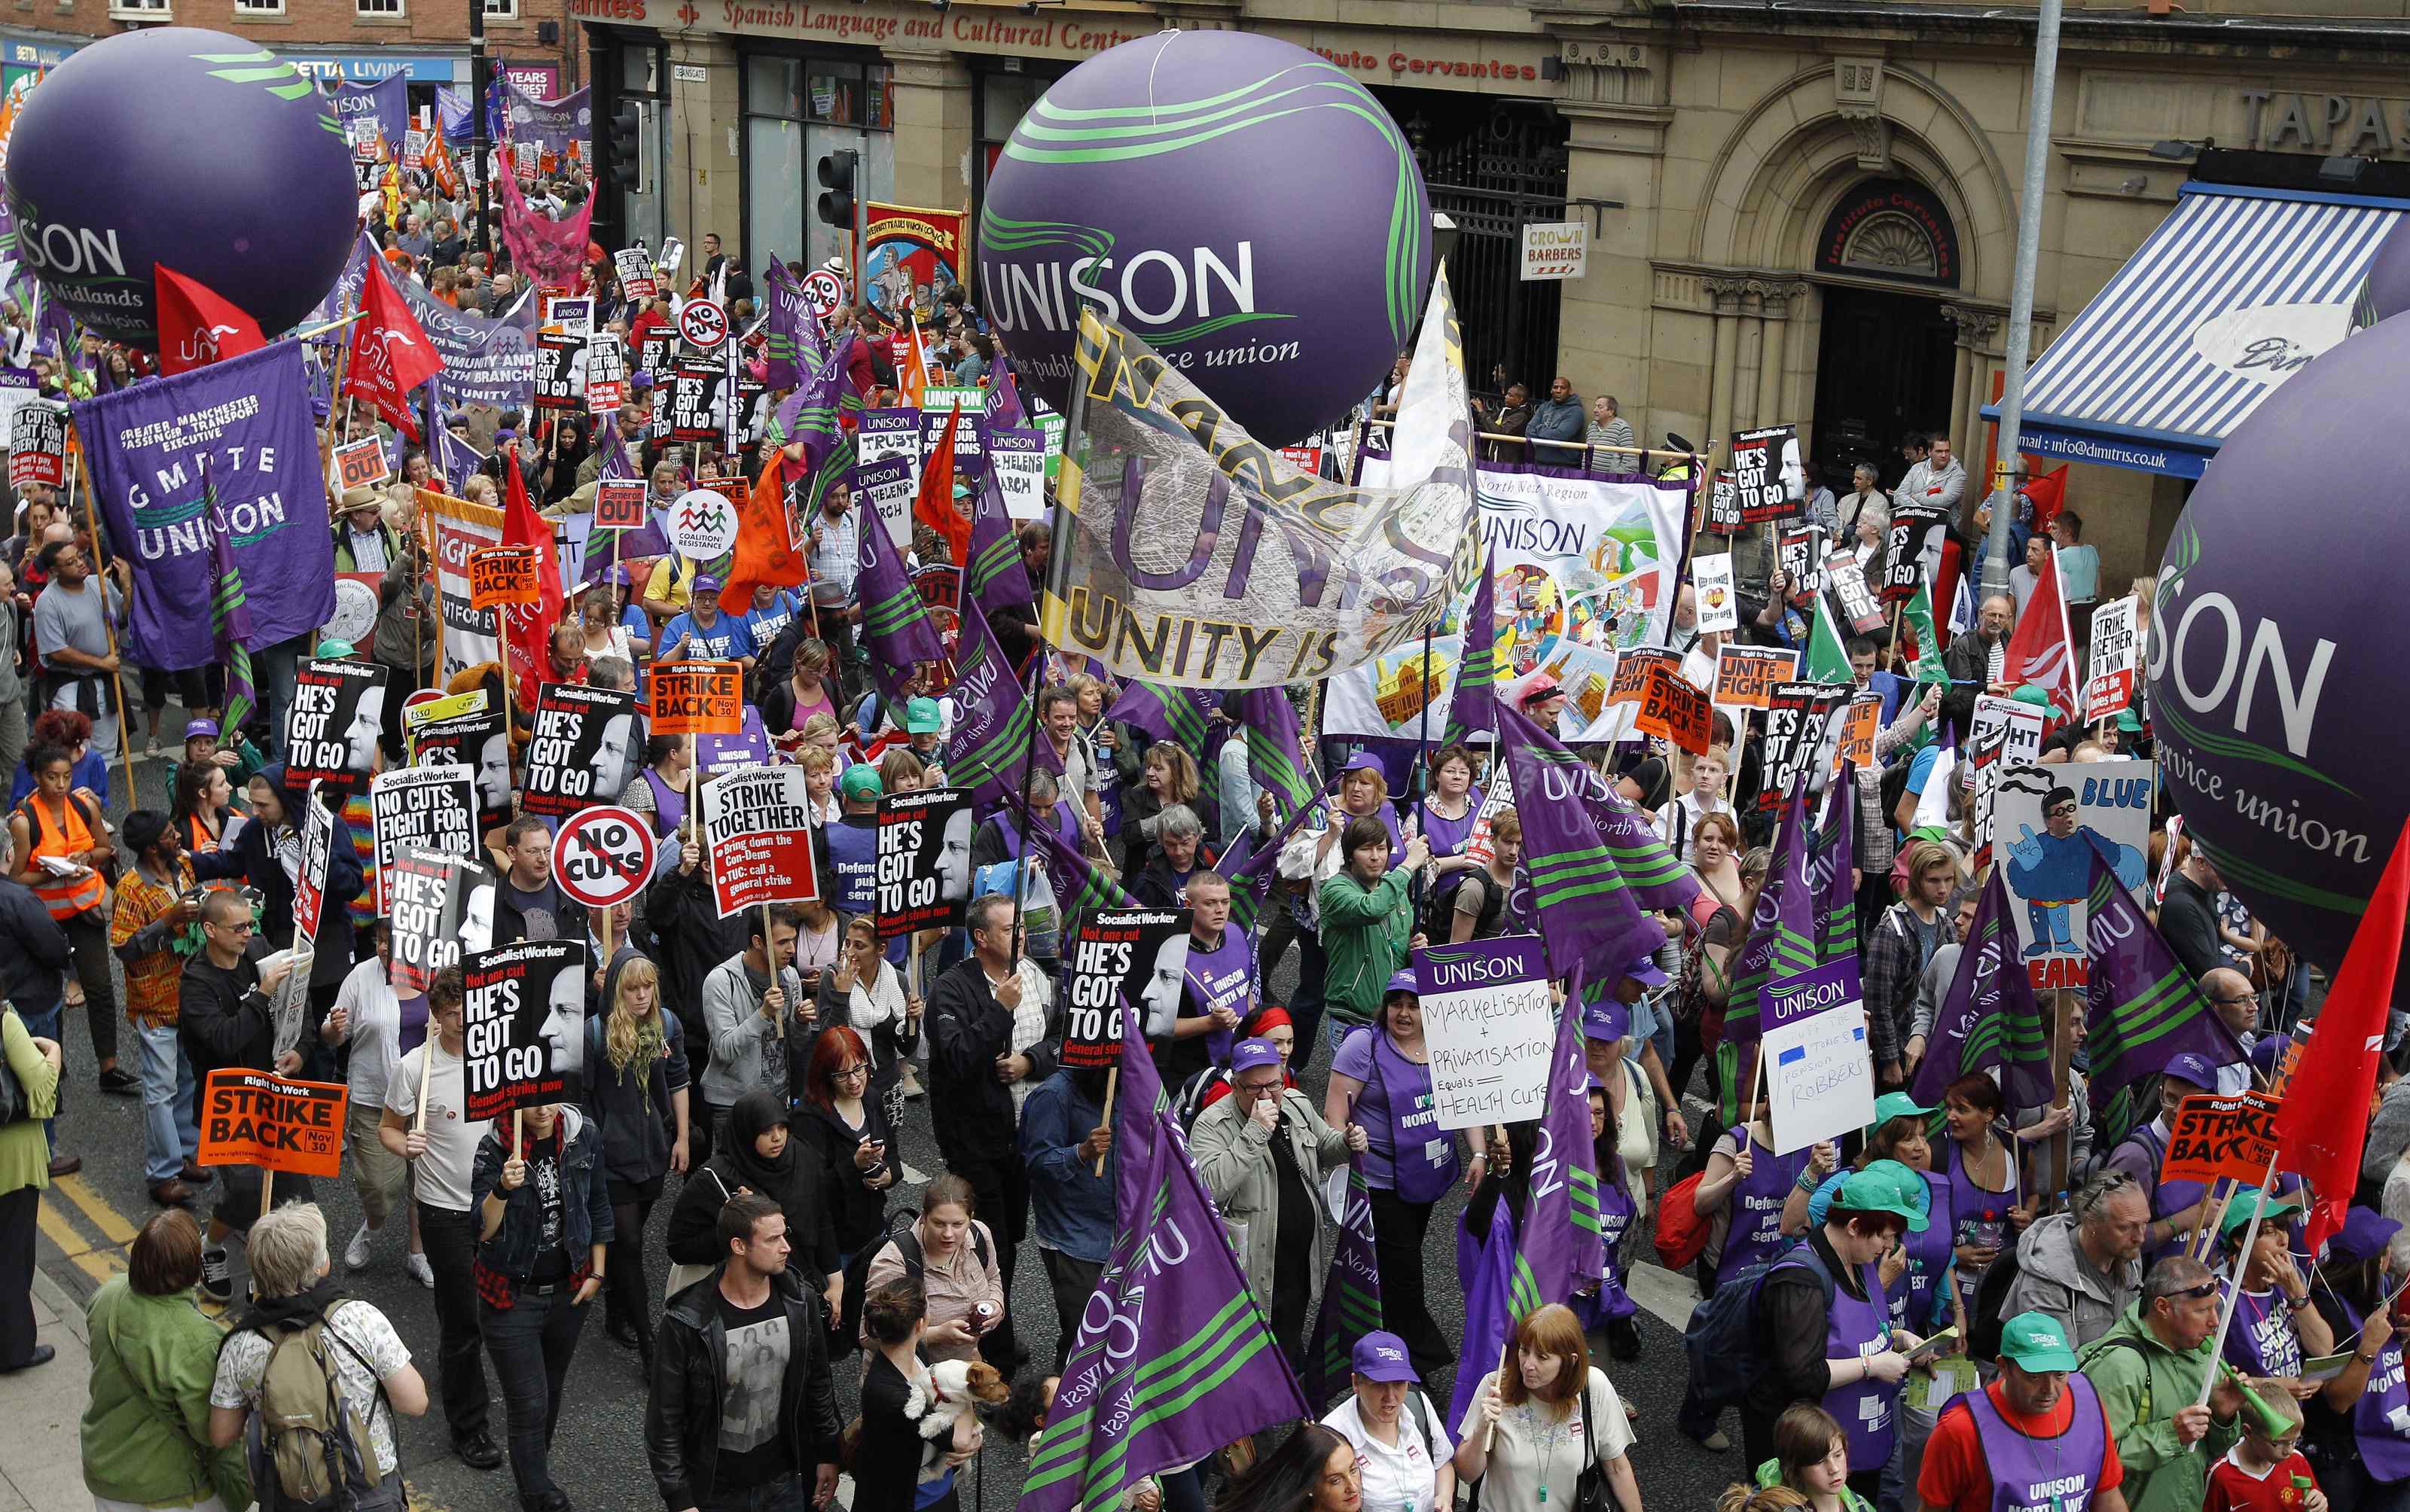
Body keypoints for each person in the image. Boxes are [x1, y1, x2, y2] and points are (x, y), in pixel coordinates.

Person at [205, 1203, 431, 1512]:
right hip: (368, 1489)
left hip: (291, 1491)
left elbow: (221, 1434)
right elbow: (415, 1402)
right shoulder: (360, 1320)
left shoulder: (241, 1345)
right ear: (320, 1267)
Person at [379, 964, 505, 1471]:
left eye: (471, 1011)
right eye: (454, 1014)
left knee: (503, 1309)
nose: (465, 1022)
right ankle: (469, 1426)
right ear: (436, 1015)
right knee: (463, 1321)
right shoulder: (415, 1068)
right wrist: (402, 1143)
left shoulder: (498, 1057)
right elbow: (387, 1127)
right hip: (443, 1213)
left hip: (497, 1205)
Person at [646, 1190, 844, 1512]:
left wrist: (827, 1453)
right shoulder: (688, 1321)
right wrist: (679, 1498)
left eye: (785, 1235)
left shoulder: (800, 1301)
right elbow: (664, 1418)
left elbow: (817, 1383)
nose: (786, 1248)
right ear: (738, 1246)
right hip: (716, 1491)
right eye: (772, 1240)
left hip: (783, 1482)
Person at [926, 895, 1054, 1367]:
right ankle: (988, 1343)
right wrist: (1000, 1010)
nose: (1019, 937)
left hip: (1024, 1135)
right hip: (974, 1141)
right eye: (1008, 930)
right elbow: (957, 1056)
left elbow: (1060, 1037)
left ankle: (995, 1325)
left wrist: (1031, 1060)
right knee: (987, 1241)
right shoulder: (951, 989)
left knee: (1010, 1240)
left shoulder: (1035, 976)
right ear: (981, 938)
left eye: (1020, 929)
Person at [1326, 970, 1472, 1379]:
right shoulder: (1362, 1045)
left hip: (1425, 1177)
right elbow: (1334, 1113)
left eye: (1414, 1006)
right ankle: (1416, 1359)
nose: (1403, 1014)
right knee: (1405, 1270)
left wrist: (1478, 1152)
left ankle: (1372, 1338)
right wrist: (1345, 1161)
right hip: (1378, 1182)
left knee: (1394, 1264)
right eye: (1396, 1005)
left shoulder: (1443, 1044)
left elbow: (1463, 1101)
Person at [468, 1098, 612, 1512]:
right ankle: (536, 1494)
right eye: (532, 1104)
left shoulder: (584, 1136)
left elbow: (599, 1203)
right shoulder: (495, 1147)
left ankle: (535, 1473)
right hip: (510, 1298)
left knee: (549, 1391)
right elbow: (480, 1229)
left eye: (549, 1099)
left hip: (570, 1293)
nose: (543, 1111)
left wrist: (597, 1273)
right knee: (528, 1401)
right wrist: (502, 1189)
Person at [1192, 1037, 1365, 1367]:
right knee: (1245, 1349)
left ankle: (1287, 1409)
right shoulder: (1212, 1125)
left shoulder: (1297, 1103)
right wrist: (1256, 1131)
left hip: (1298, 1259)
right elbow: (1209, 1189)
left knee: (1287, 1337)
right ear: (1235, 1087)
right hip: (1251, 1264)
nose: (1267, 1096)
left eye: (1274, 1085)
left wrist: (1347, 1141)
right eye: (1255, 1088)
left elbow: (1325, 1145)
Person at [79, 1209, 251, 1511]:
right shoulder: (198, 1341)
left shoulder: (108, 1295)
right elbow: (211, 1433)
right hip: (167, 1490)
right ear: (192, 1270)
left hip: (105, 1470)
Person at [2076, 1254, 2250, 1512]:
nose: (2214, 1321)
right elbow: (2091, 1459)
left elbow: (2209, 1452)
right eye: (2202, 1310)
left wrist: (2221, 1418)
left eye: (2215, 1308)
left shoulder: (2203, 1356)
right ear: (2163, 1307)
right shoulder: (2120, 1365)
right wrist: (2171, 1435)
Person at [581, 952, 690, 1364]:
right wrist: (595, 1146)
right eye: (632, 988)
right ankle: (648, 1341)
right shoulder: (596, 1034)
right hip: (613, 1157)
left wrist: (681, 1136)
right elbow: (586, 1099)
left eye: (648, 986)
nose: (642, 995)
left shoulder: (668, 1025)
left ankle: (616, 1304)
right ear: (615, 990)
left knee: (630, 1238)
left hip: (655, 1153)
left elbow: (678, 1079)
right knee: (629, 1241)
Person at [10, 738, 130, 1094]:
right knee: (47, 994)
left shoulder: (83, 806)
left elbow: (105, 848)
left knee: (100, 988)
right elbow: (16, 878)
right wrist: (52, 873)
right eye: (52, 777)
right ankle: (52, 1069)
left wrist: (86, 859)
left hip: (83, 912)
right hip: (42, 920)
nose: (60, 785)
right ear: (36, 777)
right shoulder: (23, 821)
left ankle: (109, 1067)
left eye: (65, 776)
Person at [1916, 1311, 2126, 1512]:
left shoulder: (2087, 1404)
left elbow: (2108, 1499)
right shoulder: (1959, 1429)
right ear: (2003, 1367)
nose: (2049, 1390)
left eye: (2060, 1374)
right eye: (2034, 1377)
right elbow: (1933, 1508)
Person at [667, 1090, 843, 1318]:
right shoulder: (713, 1179)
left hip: (798, 1287)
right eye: (766, 1131)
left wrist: (835, 1280)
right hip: (740, 1300)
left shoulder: (802, 1157)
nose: (778, 1137)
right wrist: (734, 1223)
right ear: (746, 1133)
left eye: (782, 1127)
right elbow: (679, 1247)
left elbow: (821, 1219)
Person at [1451, 1302, 1642, 1512]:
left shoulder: (1593, 1387)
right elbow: (1467, 1474)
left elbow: (1616, 1467)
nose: (1528, 1365)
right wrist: (1480, 1431)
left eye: (1542, 1357)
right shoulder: (1496, 1387)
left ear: (1570, 1361)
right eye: (1525, 1350)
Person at [108, 809, 209, 1205]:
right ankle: (162, 1174)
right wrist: (168, 920)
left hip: (191, 997)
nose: (179, 837)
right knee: (160, 1090)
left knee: (188, 1079)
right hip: (155, 1005)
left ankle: (185, 1153)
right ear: (152, 848)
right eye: (170, 835)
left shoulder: (183, 867)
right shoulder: (130, 890)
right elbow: (124, 948)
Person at [325, 918, 429, 1283]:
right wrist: (334, 1029)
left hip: (427, 1099)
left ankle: (417, 1251)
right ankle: (373, 1223)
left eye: (392, 939)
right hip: (375, 1098)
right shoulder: (361, 976)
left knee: (425, 1182)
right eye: (378, 940)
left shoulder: (435, 969)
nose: (384, 947)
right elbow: (333, 1035)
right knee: (380, 1185)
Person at [856, 1275, 980, 1512]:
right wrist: (967, 1386)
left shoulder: (914, 1353)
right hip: (913, 1500)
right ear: (920, 1324)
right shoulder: (896, 1396)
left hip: (932, 1484)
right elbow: (960, 1441)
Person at [1019, 1062, 1112, 1373]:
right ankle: (1064, 1410)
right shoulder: (1053, 1095)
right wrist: (1082, 1152)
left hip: (1119, 1229)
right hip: (1073, 1237)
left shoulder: (1123, 1088)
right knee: (1082, 1334)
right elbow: (1037, 1163)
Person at [2003, 1168, 2149, 1350]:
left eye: (2144, 1224)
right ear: (2091, 1222)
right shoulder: (2048, 1276)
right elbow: (2057, 1368)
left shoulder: (2128, 1251)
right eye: (2125, 1228)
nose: (2140, 1238)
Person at [699, 905, 810, 1139]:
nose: (791, 949)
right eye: (782, 942)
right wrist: (763, 1015)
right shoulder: (720, 981)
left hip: (777, 1097)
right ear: (758, 942)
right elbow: (726, 1049)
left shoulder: (790, 977)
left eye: (794, 940)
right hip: (733, 1102)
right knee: (737, 1174)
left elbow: (797, 1044)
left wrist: (800, 1022)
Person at [1319, 817, 1431, 1049]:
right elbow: (1372, 909)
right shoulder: (1335, 889)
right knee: (1350, 1086)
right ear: (1350, 854)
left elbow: (1398, 948)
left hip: (1391, 1019)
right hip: (1351, 1020)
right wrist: (1408, 866)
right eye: (1365, 849)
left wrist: (1415, 949)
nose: (1375, 856)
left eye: (1381, 848)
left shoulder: (1395, 889)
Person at [796, 1025, 897, 1269]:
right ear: (825, 1075)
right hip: (834, 1242)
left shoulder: (871, 1098)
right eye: (842, 1075)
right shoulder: (808, 1118)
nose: (854, 1081)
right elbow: (810, 1188)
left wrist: (888, 1176)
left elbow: (892, 1151)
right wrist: (854, 1165)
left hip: (873, 1227)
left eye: (860, 1068)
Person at [1321, 1331, 1456, 1512]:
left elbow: (1442, 1462)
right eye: (1378, 1385)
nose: (1391, 1397)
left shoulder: (1418, 1404)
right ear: (1356, 1384)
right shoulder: (1333, 1434)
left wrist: (1444, 1497)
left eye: (1399, 1383)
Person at [0, 998, 61, 1373]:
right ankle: (15, 1349)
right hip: (11, 1162)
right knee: (13, 1258)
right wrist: (53, 1052)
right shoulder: (6, 1023)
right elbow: (40, 1085)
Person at [2213, 1187, 2327, 1382]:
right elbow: (2215, 1381)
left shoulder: (2291, 1275)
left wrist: (2296, 1291)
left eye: (2283, 1229)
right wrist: (2281, 1385)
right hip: (2251, 1410)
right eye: (2269, 1232)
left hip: (2292, 1409)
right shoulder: (2218, 1293)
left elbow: (2323, 1349)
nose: (2283, 1240)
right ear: (2240, 1240)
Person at [1866, 840, 1957, 1087]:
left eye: (1948, 880)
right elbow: (1878, 1000)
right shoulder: (1892, 929)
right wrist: (1890, 1059)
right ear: (1917, 879)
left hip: (1933, 1044)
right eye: (1934, 880)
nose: (1943, 889)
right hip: (1900, 1043)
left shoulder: (1947, 925)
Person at [820, 914, 920, 1133]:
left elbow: (906, 1048)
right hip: (846, 1087)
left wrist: (914, 1019)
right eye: (847, 943)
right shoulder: (832, 977)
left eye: (859, 946)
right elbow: (828, 1041)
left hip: (886, 1085)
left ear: (881, 950)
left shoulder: (898, 980)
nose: (849, 952)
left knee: (886, 1153)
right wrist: (841, 996)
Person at [1935, 1073, 2030, 1297]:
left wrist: (2027, 1217)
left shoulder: (2017, 1151)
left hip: (2002, 1288)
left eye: (1962, 1110)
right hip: (1949, 1293)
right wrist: (1954, 1255)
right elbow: (1916, 1229)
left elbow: (2033, 1195)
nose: (1950, 1116)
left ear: (1989, 1114)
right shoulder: (1937, 1154)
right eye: (1949, 1108)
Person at [2206, 1391, 2326, 1512]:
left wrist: (2320, 1504)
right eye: (2278, 1443)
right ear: (2248, 1432)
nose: (2289, 1451)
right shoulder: (2221, 1476)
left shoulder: (2297, 1460)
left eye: (2295, 1440)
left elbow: (2315, 1503)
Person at [1740, 1404, 1873, 1512]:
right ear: (1794, 1467)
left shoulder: (1857, 1504)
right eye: (1819, 1462)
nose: (1834, 1469)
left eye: (1838, 1455)